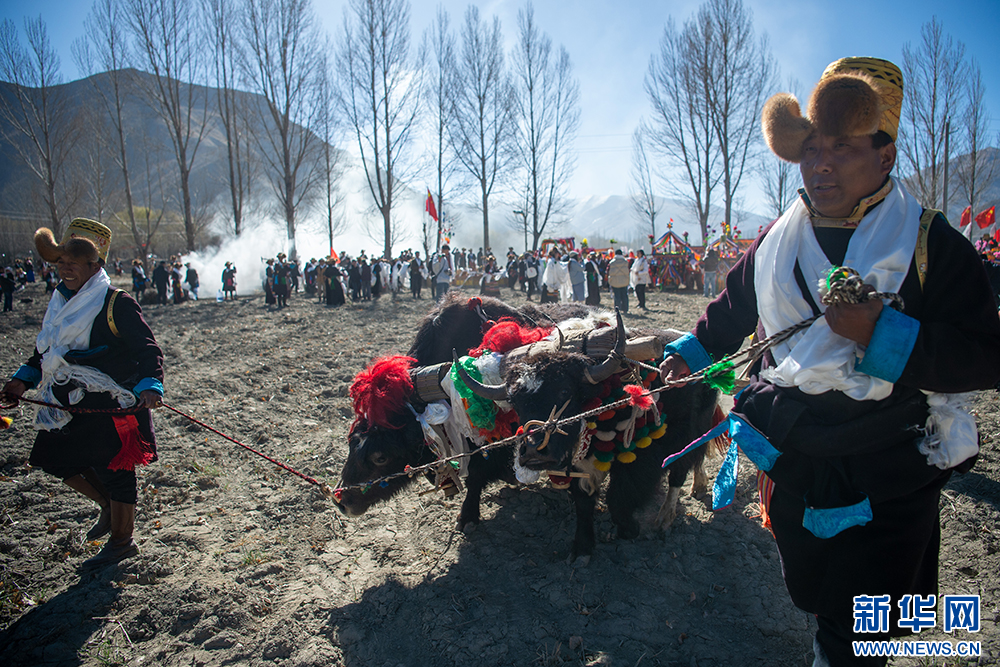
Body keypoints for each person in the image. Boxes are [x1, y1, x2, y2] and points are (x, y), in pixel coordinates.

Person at [658, 58, 1000, 667]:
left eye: (843, 147)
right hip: (797, 453)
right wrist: (689, 355)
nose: (820, 163)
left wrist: (882, 334)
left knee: (860, 628)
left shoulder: (931, 245)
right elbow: (730, 313)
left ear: (885, 155)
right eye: (812, 147)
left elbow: (984, 356)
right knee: (819, 596)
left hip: (890, 459)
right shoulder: (775, 242)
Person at [1, 219, 164, 567]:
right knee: (50, 456)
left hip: (112, 404)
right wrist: (21, 382)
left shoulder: (116, 303)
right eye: (61, 262)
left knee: (117, 469)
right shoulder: (59, 305)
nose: (65, 268)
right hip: (67, 403)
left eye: (74, 262)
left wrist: (151, 383)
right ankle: (106, 504)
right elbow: (45, 353)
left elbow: (147, 348)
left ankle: (122, 542)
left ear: (96, 265)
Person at [607, 248, 629, 313]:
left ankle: (617, 309)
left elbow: (608, 271)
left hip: (615, 281)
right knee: (624, 295)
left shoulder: (612, 262)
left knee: (617, 296)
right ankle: (625, 309)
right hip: (624, 281)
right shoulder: (625, 262)